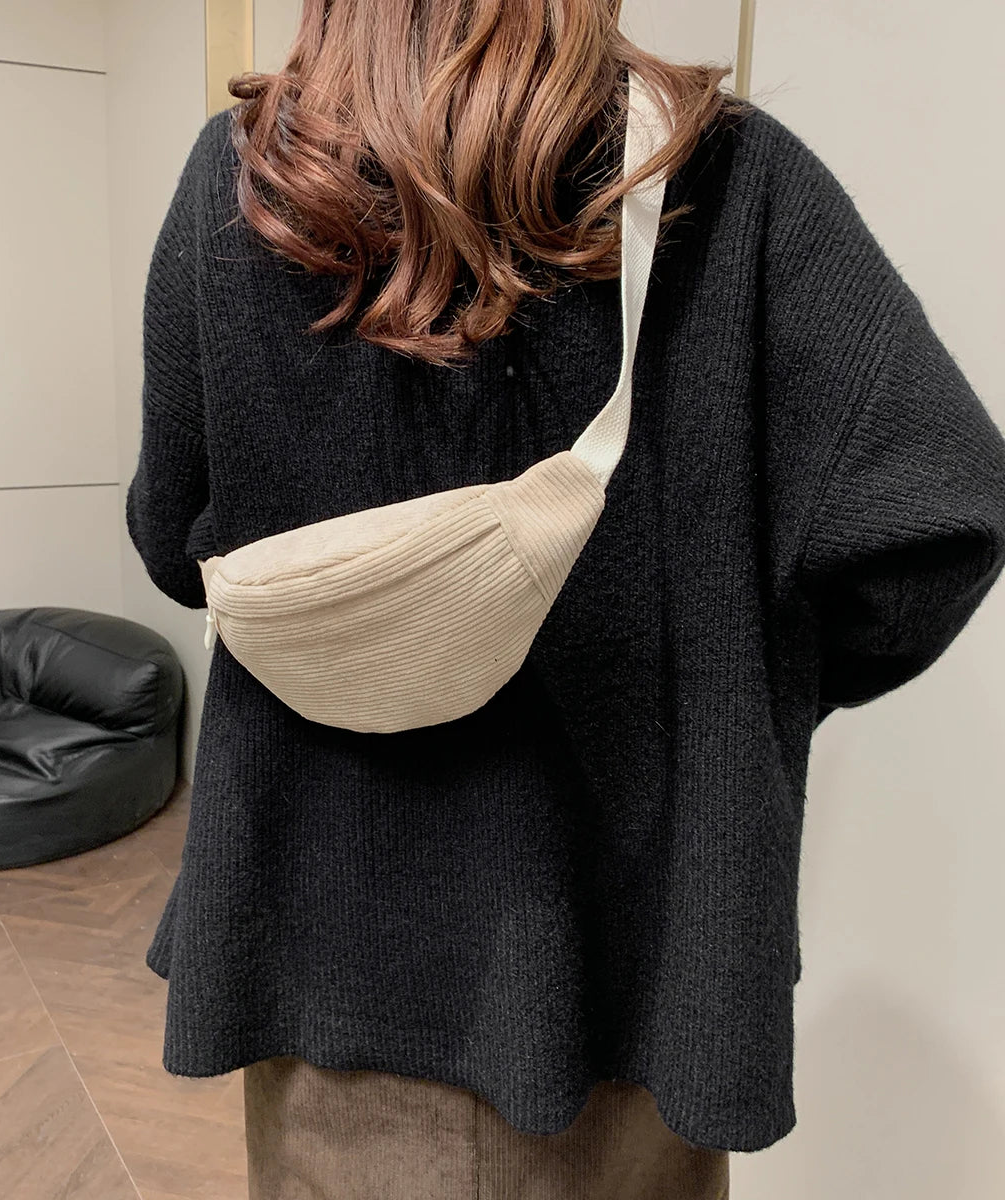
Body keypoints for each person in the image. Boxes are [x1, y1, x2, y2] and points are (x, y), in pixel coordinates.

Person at [125, 3, 1005, 1197]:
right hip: (624, 950)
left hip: (320, 926)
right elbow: (935, 518)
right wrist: (724, 699)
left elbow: (175, 536)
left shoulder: (247, 181)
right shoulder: (717, 174)